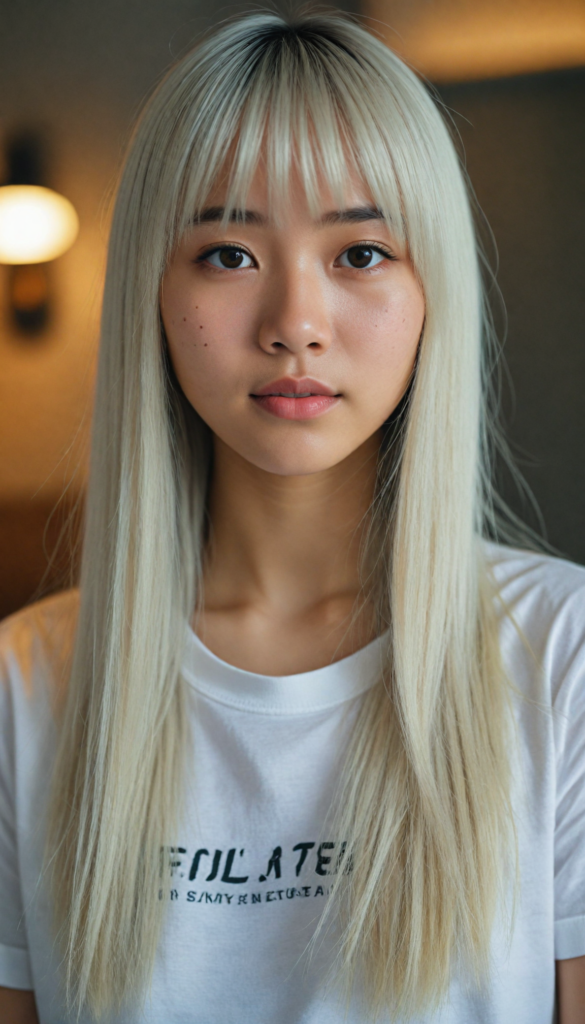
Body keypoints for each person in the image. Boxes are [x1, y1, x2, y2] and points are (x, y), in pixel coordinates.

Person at [1, 11, 584, 1024]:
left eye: (360, 252)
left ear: (433, 289)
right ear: (151, 289)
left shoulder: (562, 656)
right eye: (229, 253)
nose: (295, 325)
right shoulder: (24, 689)